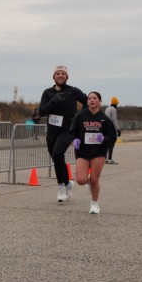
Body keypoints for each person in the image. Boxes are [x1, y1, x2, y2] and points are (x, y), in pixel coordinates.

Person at [38, 66, 88, 202]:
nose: (60, 76)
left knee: (57, 154)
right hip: (52, 130)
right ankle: (67, 183)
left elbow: (87, 102)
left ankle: (61, 187)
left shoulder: (73, 91)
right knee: (57, 158)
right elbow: (41, 111)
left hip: (68, 129)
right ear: (53, 77)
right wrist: (53, 101)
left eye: (63, 74)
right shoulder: (47, 92)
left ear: (67, 77)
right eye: (58, 73)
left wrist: (79, 116)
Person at [68, 92, 118, 214]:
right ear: (87, 102)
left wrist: (104, 139)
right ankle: (89, 180)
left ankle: (94, 204)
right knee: (80, 180)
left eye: (94, 98)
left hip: (98, 152)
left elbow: (112, 136)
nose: (91, 100)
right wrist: (75, 140)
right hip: (82, 151)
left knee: (95, 179)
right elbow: (72, 132)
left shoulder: (105, 118)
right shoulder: (80, 116)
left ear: (100, 101)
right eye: (89, 98)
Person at [104, 96, 121, 164]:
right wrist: (118, 129)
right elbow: (114, 120)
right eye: (117, 103)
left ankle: (105, 159)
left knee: (106, 144)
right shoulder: (113, 109)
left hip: (105, 128)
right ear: (116, 103)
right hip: (111, 129)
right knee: (111, 144)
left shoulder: (107, 108)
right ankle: (110, 159)